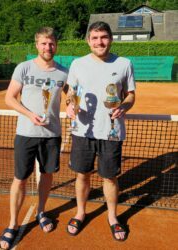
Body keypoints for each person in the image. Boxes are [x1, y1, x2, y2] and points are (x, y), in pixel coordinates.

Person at [0, 27, 68, 250]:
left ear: (56, 45)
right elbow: (9, 98)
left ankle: (41, 212)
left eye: (52, 43)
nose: (48, 47)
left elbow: (72, 98)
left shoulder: (63, 73)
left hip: (52, 135)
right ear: (37, 45)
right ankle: (13, 224)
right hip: (26, 134)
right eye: (44, 43)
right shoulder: (24, 68)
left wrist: (73, 105)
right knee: (20, 178)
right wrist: (30, 115)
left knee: (47, 175)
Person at [66, 21, 135, 241]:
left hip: (111, 133)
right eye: (95, 38)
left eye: (103, 37)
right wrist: (69, 103)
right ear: (88, 41)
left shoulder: (124, 63)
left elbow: (131, 95)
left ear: (111, 39)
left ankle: (113, 217)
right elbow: (71, 92)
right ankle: (80, 212)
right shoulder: (77, 64)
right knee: (82, 175)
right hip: (82, 131)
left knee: (110, 177)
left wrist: (124, 106)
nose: (99, 42)